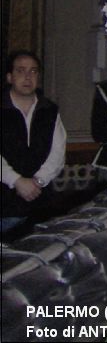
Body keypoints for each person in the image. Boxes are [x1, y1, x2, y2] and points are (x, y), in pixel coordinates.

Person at [1, 50, 66, 235]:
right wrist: (17, 181)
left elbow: (58, 153)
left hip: (40, 203)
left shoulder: (49, 110)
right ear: (9, 77)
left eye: (33, 71)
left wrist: (38, 181)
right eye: (21, 71)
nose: (27, 77)